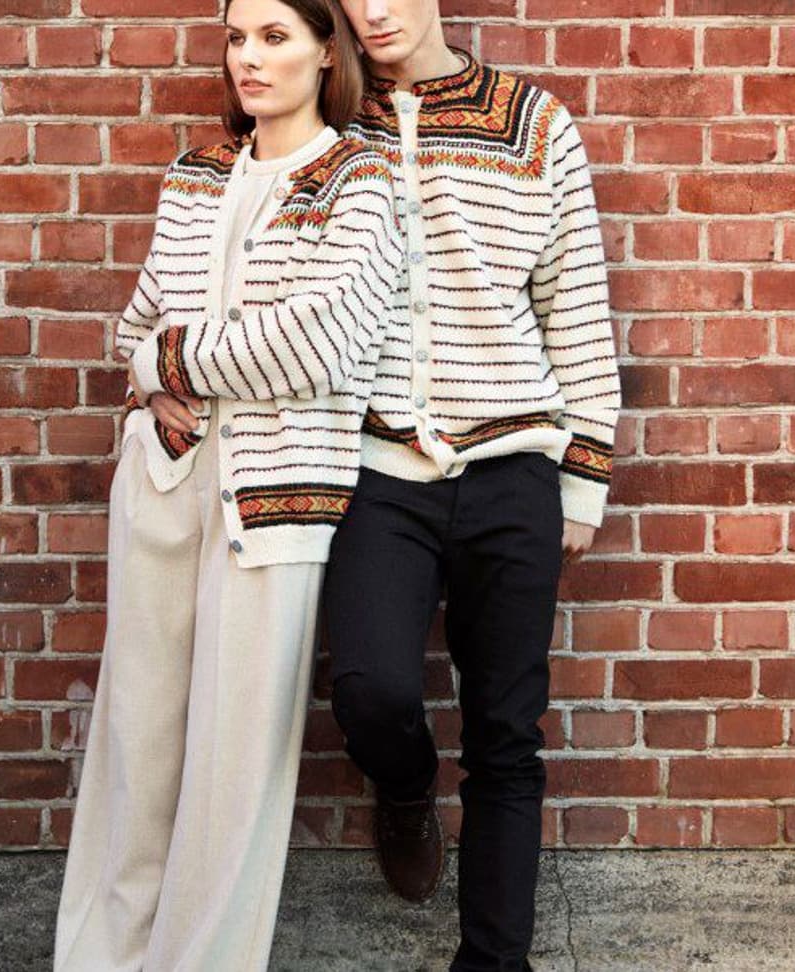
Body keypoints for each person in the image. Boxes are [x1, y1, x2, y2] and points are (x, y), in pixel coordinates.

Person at [52, 1, 403, 969]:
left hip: (276, 499)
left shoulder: (361, 179)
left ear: (325, 51)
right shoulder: (196, 175)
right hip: (163, 476)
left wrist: (168, 361)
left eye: (275, 37)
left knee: (233, 768)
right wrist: (152, 370)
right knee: (136, 743)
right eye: (238, 38)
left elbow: (319, 343)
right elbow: (134, 328)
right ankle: (99, 959)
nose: (250, 58)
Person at [323, 2, 623, 971]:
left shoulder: (532, 122)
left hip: (514, 471)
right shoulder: (331, 120)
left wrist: (584, 478)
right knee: (370, 690)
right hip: (376, 471)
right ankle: (405, 787)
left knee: (505, 734)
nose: (373, 11)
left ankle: (495, 962)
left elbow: (575, 303)